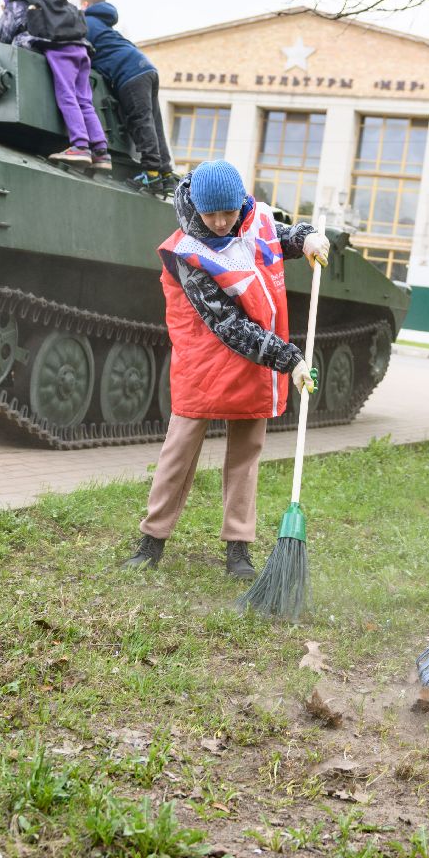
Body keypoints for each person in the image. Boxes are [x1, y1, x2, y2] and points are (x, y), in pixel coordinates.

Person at [122, 160, 331, 578]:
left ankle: (238, 549)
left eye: (228, 213)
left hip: (255, 363)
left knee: (245, 456)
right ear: (196, 208)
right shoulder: (187, 253)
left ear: (241, 205)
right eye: (210, 214)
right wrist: (288, 359)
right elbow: (228, 325)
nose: (220, 223)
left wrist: (307, 238)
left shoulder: (256, 221)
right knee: (178, 454)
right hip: (205, 363)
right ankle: (151, 541)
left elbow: (281, 238)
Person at [0, 0, 109, 170]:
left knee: (66, 94)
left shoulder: (17, 0)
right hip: (82, 49)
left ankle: (80, 145)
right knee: (84, 101)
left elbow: (9, 32)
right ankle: (101, 151)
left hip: (61, 50)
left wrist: (0, 36)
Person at [78, 0, 173, 189]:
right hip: (145, 67)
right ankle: (165, 173)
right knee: (154, 121)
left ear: (85, 4)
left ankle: (152, 174)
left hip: (128, 73)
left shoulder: (86, 22)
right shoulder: (104, 24)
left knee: (140, 119)